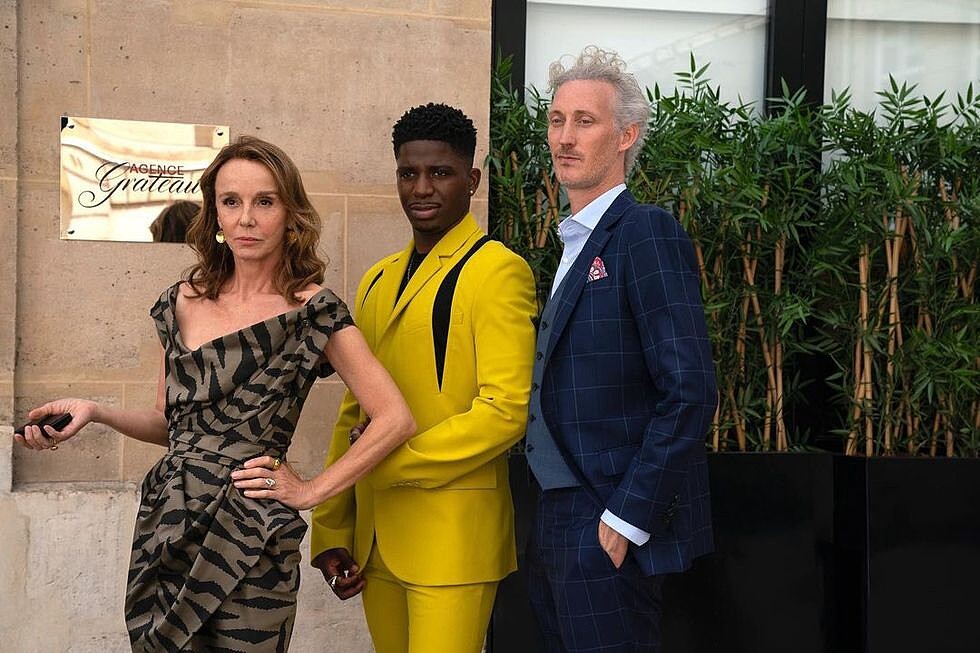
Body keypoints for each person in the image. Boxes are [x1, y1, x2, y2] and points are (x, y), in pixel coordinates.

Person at [14, 135, 416, 652]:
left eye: (264, 202)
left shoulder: (313, 311)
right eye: (231, 201)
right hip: (167, 523)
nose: (246, 218)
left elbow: (394, 417)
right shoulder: (179, 302)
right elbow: (170, 427)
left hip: (251, 532)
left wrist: (311, 492)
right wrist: (95, 412)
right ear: (216, 214)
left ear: (290, 214)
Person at [309, 103, 537, 653]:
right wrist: (332, 527)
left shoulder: (499, 270)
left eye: (440, 172)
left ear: (472, 180)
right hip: (375, 539)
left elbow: (506, 410)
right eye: (408, 173)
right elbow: (353, 410)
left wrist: (390, 462)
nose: (421, 188)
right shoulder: (376, 280)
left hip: (453, 540)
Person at [524, 46, 718, 652]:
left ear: (626, 135)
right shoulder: (573, 244)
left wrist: (626, 518)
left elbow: (690, 389)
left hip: (606, 516)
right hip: (553, 514)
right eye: (557, 120)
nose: (565, 137)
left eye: (585, 121)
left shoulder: (645, 232)